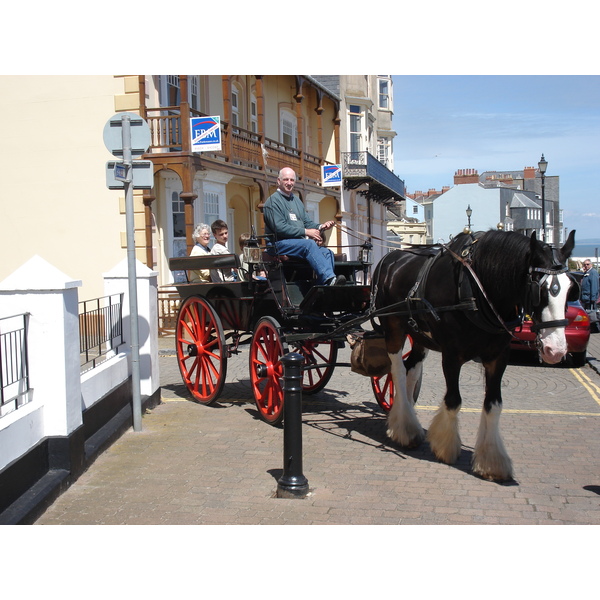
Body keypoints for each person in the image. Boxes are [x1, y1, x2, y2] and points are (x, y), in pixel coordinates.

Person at [262, 167, 345, 286]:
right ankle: (330, 280)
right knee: (309, 244)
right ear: (278, 181)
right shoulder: (272, 202)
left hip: (297, 244)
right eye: (286, 179)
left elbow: (307, 223)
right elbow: (279, 228)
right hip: (278, 245)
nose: (289, 183)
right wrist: (306, 232)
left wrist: (321, 226)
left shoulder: (297, 201)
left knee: (327, 253)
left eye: (292, 180)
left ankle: (322, 287)